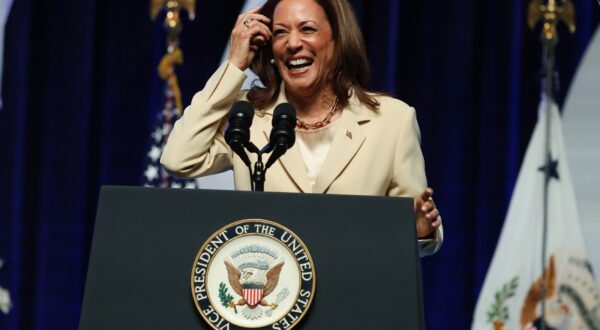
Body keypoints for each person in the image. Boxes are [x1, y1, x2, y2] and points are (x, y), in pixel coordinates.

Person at [161, 0, 443, 256]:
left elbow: (414, 235)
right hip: (270, 302)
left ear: (338, 39)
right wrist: (235, 65)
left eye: (307, 29)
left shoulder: (392, 120)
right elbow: (179, 159)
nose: (292, 43)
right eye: (281, 32)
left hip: (355, 299)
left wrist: (420, 230)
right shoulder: (247, 117)